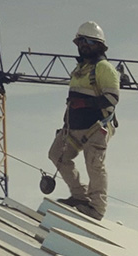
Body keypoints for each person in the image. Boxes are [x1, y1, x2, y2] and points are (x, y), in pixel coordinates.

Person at [47, 21, 120, 220]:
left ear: (99, 45)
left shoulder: (104, 68)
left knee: (94, 164)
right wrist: (65, 124)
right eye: (80, 41)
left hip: (96, 127)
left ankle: (97, 208)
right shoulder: (79, 70)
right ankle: (80, 196)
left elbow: (112, 99)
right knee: (57, 155)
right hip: (74, 127)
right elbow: (72, 101)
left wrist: (86, 103)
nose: (83, 45)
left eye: (88, 41)